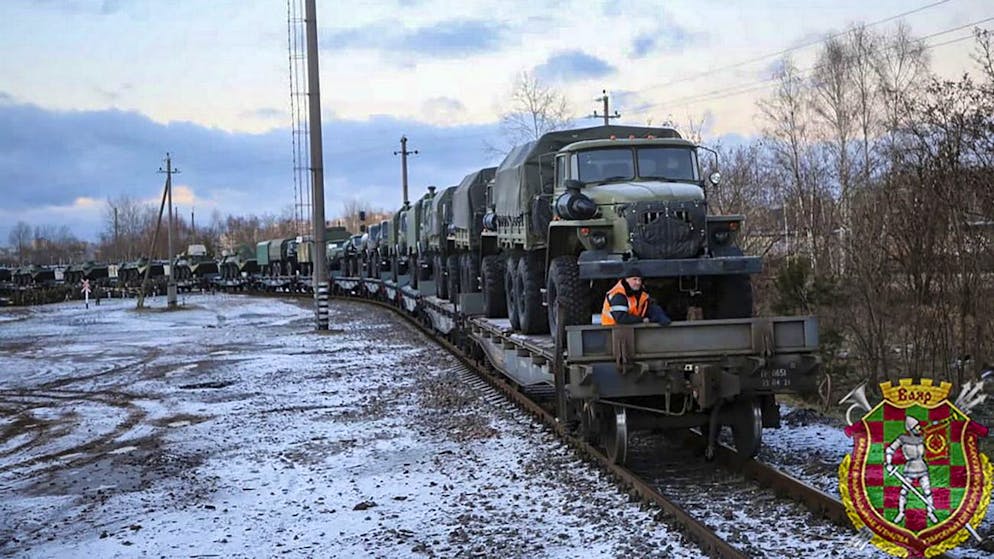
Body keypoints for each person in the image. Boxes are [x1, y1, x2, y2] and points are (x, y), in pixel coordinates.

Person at [600, 268, 671, 326]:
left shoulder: (640, 294)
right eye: (635, 279)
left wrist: (661, 317)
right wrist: (643, 320)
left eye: (639, 280)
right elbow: (621, 318)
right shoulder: (618, 295)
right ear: (626, 280)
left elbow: (650, 307)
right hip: (613, 330)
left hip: (629, 328)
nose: (638, 282)